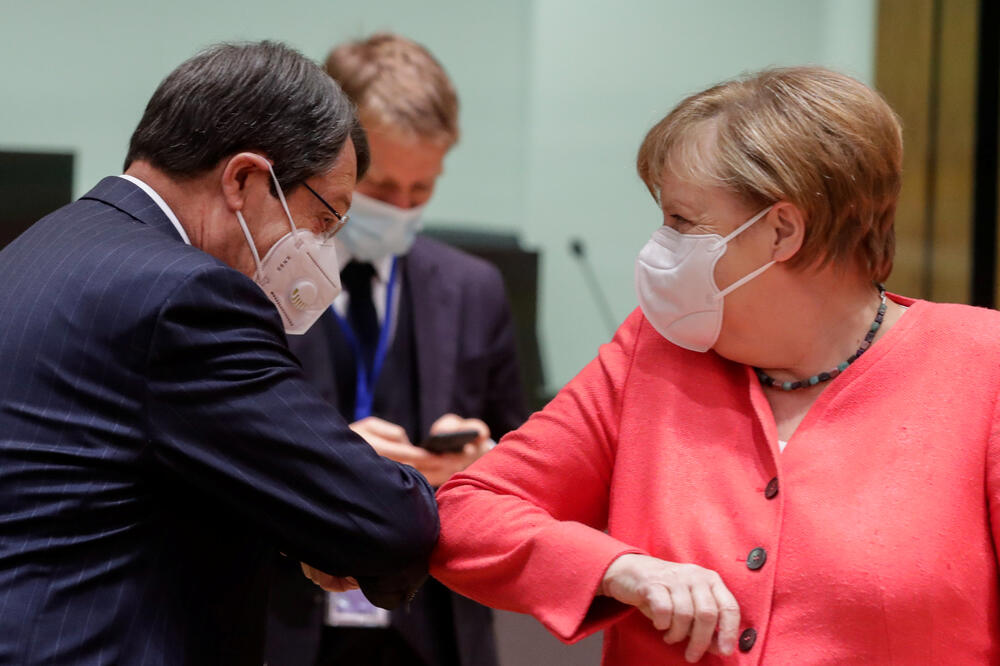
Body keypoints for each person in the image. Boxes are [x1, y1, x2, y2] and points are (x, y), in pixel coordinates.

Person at [431, 66, 1000, 664]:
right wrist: (618, 567)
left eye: (682, 220)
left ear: (782, 231)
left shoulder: (980, 365)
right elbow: (469, 511)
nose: (659, 245)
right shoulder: (653, 353)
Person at [0, 41, 440, 666]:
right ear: (244, 179)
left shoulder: (38, 250)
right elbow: (388, 522)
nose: (320, 250)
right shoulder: (188, 297)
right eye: (323, 220)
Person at [265, 33, 527, 666]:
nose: (402, 210)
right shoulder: (251, 278)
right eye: (382, 188)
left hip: (436, 627)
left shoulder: (475, 288)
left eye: (422, 191)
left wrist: (481, 463)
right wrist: (329, 462)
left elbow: (525, 462)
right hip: (282, 624)